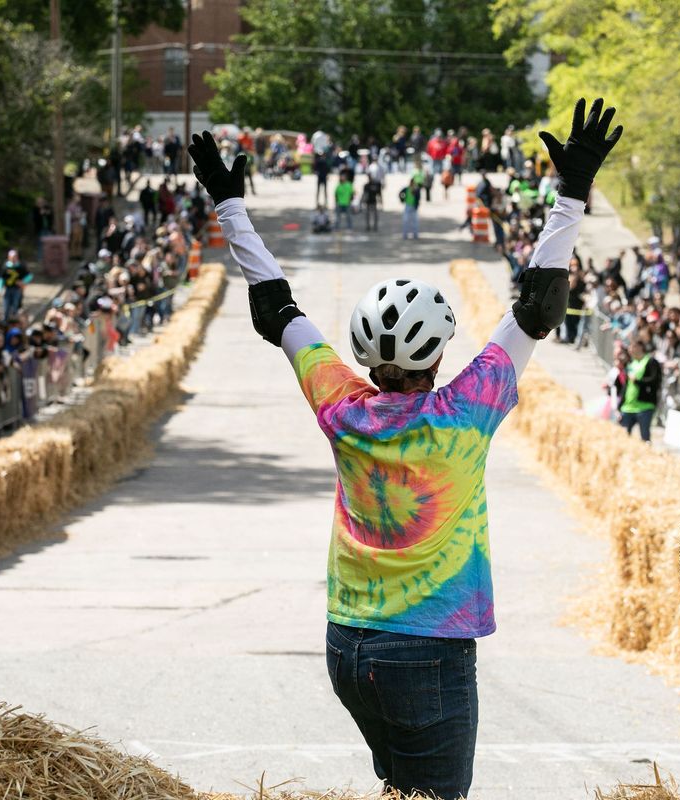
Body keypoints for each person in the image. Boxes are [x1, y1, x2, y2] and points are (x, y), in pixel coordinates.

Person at [186, 95, 622, 800]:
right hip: (428, 649)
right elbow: (539, 308)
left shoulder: (342, 406)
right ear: (440, 353)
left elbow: (277, 310)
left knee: (399, 787)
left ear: (365, 355)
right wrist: (571, 194)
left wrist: (229, 203)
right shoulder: (466, 410)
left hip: (346, 644)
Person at [619, 338, 659, 441]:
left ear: (640, 347)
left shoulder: (650, 361)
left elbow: (655, 381)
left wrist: (637, 381)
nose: (630, 350)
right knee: (622, 438)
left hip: (644, 407)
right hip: (627, 407)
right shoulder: (631, 364)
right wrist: (619, 405)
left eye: (632, 347)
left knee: (644, 438)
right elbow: (626, 386)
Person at [0, 251, 29, 321]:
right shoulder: (5, 266)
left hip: (17, 289)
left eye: (15, 257)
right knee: (6, 306)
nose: (13, 258)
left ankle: (13, 321)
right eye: (12, 257)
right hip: (8, 289)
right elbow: (1, 278)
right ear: (9, 257)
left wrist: (23, 282)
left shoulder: (21, 266)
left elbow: (29, 276)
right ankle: (6, 321)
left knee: (15, 306)